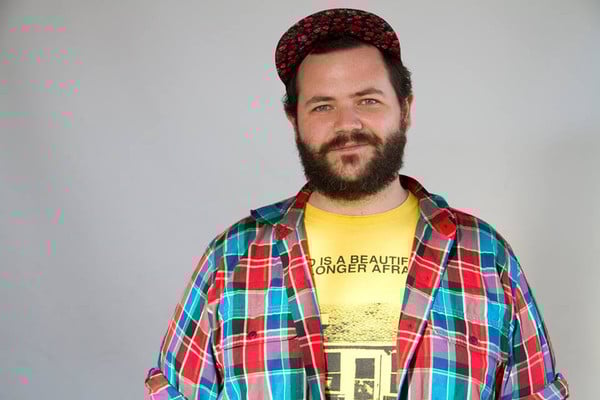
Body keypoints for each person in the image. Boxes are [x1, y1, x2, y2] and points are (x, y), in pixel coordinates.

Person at [144, 8, 569, 400]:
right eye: (322, 106)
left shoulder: (485, 256)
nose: (346, 124)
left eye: (368, 100)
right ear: (294, 120)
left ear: (405, 109)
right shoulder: (231, 258)